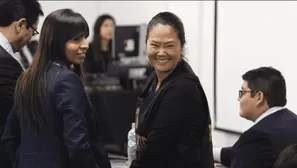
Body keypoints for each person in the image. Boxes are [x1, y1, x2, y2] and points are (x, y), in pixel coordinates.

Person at [1, 9, 111, 168]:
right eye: (76, 39)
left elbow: (8, 138)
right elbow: (77, 145)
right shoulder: (67, 80)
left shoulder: (26, 79)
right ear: (56, 42)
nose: (85, 45)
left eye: (85, 37)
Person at [130, 12, 214, 168]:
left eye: (169, 46)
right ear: (146, 44)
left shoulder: (183, 89)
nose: (161, 53)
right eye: (155, 45)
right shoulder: (153, 79)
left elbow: (156, 151)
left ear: (181, 46)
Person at [213, 67, 297, 168]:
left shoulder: (257, 136)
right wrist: (209, 152)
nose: (238, 98)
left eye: (242, 93)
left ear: (259, 97)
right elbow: (239, 152)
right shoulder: (292, 121)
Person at [0, 0, 43, 167]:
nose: (30, 39)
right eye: (33, 32)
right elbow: (12, 114)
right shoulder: (5, 62)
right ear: (20, 25)